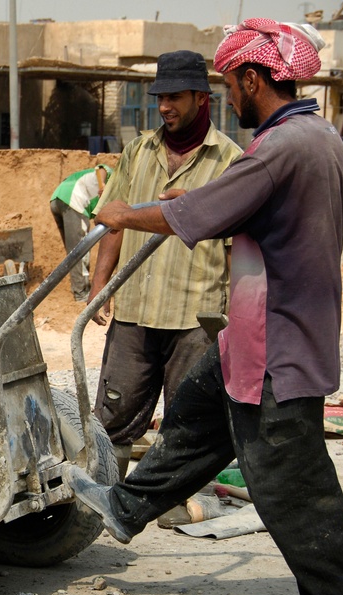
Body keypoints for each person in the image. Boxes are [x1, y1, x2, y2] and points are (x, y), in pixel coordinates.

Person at [68, 18, 343, 595]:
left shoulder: (279, 149)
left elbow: (198, 210)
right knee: (199, 413)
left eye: (232, 84)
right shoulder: (320, 136)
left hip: (281, 341)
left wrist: (120, 211)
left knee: (287, 472)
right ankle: (127, 505)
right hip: (254, 333)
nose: (231, 97)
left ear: (254, 78)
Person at [89, 50, 243, 479]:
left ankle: (177, 503)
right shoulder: (139, 151)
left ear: (201, 97)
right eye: (159, 97)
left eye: (174, 97)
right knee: (113, 414)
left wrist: (237, 315)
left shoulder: (229, 162)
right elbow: (112, 222)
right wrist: (101, 285)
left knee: (185, 420)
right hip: (136, 310)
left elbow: (234, 247)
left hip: (193, 315)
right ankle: (107, 492)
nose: (164, 107)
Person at [49, 164, 112, 301]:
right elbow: (102, 168)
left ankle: (80, 288)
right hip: (74, 199)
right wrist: (102, 188)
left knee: (74, 250)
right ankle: (81, 292)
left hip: (57, 198)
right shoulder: (113, 177)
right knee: (81, 248)